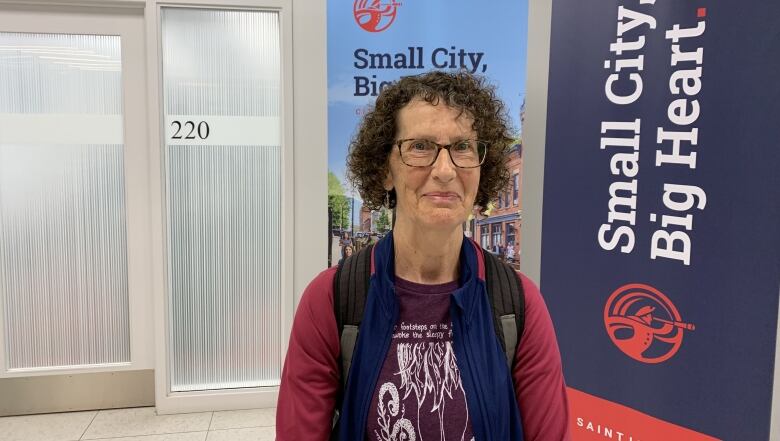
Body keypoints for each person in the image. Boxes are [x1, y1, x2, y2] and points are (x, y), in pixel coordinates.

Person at [277, 71, 570, 441]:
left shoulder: (519, 304)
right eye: (420, 146)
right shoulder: (331, 300)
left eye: (463, 146)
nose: (445, 170)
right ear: (385, 169)